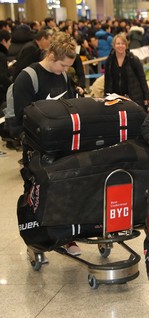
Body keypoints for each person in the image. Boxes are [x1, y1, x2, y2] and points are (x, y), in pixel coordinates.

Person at [11, 32, 82, 255]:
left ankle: (67, 235)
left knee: (68, 187)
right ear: (51, 55)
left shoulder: (62, 76)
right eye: (62, 65)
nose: (64, 70)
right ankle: (38, 237)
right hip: (37, 147)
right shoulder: (27, 77)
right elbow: (23, 118)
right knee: (38, 191)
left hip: (62, 145)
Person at [104, 34, 149, 110]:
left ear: (126, 45)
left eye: (123, 43)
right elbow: (107, 80)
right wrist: (106, 96)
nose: (120, 46)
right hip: (116, 98)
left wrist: (146, 96)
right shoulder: (109, 61)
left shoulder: (133, 59)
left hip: (134, 97)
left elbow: (142, 78)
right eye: (118, 43)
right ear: (114, 45)